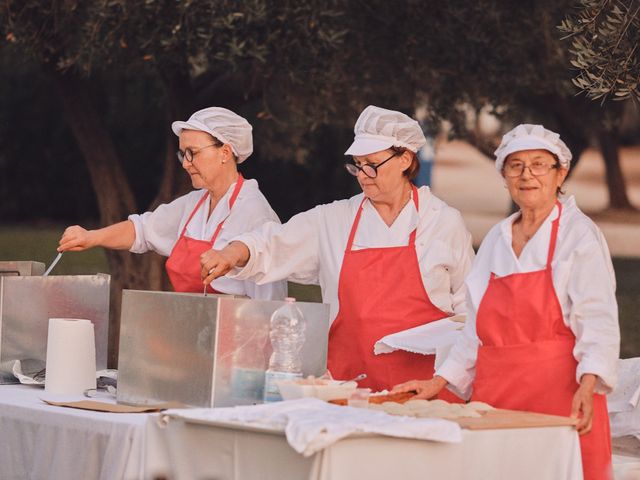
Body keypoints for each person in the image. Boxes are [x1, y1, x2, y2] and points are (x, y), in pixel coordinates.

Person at [393, 124, 620, 480]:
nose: (527, 175)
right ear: (504, 176)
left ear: (560, 173)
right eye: (515, 166)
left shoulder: (579, 235)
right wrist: (439, 382)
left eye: (539, 165)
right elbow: (474, 330)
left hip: (559, 397)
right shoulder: (498, 238)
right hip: (496, 399)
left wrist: (590, 384)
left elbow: (598, 319)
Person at [199, 105, 475, 392]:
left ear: (405, 159)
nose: (363, 174)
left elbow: (469, 307)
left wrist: (448, 376)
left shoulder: (443, 222)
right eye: (357, 164)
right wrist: (233, 252)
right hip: (353, 388)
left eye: (372, 164)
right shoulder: (334, 220)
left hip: (427, 390)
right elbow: (272, 242)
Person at [58, 107, 286, 300]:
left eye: (192, 153)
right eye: (182, 154)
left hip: (236, 342)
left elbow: (269, 304)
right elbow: (142, 230)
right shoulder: (195, 203)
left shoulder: (256, 215)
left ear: (225, 152)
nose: (186, 164)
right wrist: (91, 237)